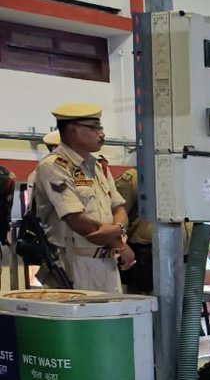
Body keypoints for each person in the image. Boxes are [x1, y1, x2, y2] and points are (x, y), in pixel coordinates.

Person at [31, 103, 134, 291]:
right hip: (75, 263)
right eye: (94, 128)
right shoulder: (54, 166)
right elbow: (76, 220)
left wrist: (117, 231)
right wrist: (117, 238)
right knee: (85, 319)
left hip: (107, 261)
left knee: (112, 317)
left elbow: (118, 208)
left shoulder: (96, 166)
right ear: (73, 129)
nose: (101, 133)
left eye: (100, 127)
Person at [114, 167, 154, 294]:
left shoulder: (186, 178)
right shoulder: (135, 178)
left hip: (185, 258)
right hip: (146, 258)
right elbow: (115, 217)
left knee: (184, 310)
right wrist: (120, 246)